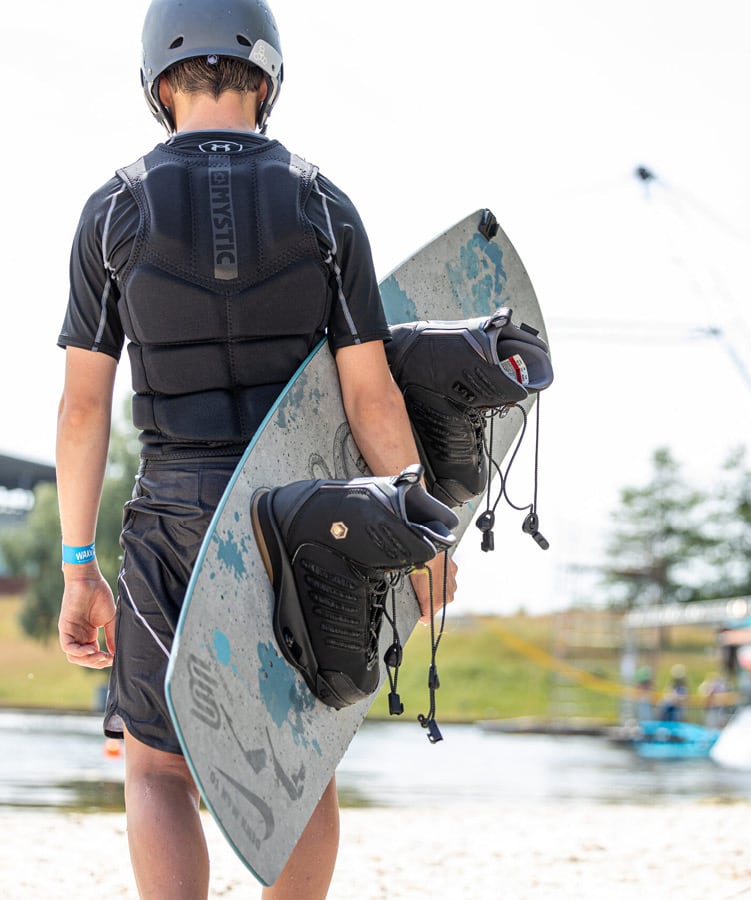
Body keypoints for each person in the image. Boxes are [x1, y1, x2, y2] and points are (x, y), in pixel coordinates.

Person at [54, 1, 456, 896]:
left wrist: (80, 568)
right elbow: (371, 395)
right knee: (299, 753)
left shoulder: (112, 208)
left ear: (159, 81)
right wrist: (420, 530)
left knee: (158, 765)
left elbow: (84, 408)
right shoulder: (323, 203)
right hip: (301, 510)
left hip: (174, 510)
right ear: (268, 80)